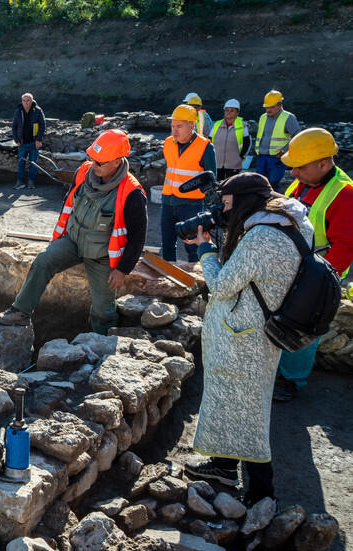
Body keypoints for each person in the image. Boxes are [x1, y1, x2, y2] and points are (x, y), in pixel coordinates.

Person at [182, 172, 313, 505]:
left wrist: (207, 252)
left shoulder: (260, 238)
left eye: (228, 205)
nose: (225, 212)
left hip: (245, 336)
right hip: (263, 329)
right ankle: (224, 466)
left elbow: (224, 285)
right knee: (235, 402)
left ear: (244, 202)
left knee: (249, 412)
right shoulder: (294, 222)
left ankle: (261, 491)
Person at [0, 129, 147, 334]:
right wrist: (57, 240)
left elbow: (138, 237)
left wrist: (123, 269)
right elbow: (68, 206)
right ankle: (20, 312)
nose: (94, 165)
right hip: (73, 241)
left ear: (117, 161)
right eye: (92, 159)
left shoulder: (131, 193)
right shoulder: (83, 172)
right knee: (42, 261)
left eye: (100, 162)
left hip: (102, 254)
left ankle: (100, 341)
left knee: (103, 308)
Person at [273, 128, 353, 401]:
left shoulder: (344, 195)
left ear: (323, 163)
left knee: (304, 324)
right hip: (294, 269)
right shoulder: (303, 182)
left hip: (318, 277)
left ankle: (292, 380)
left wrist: (318, 281)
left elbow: (345, 247)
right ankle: (281, 369)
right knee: (283, 319)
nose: (293, 173)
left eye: (300, 167)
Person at [160, 104, 216, 263]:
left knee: (193, 246)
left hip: (191, 205)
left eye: (179, 126)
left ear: (192, 126)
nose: (174, 130)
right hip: (167, 202)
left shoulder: (205, 147)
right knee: (168, 245)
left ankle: (197, 278)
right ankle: (168, 277)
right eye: (172, 126)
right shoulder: (168, 143)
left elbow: (211, 180)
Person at [254, 90, 301, 192]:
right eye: (267, 107)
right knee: (258, 183)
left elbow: (298, 136)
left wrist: (284, 151)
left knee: (273, 185)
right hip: (262, 156)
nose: (268, 110)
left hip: (276, 158)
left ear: (280, 106)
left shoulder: (288, 118)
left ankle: (273, 206)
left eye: (271, 107)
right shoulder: (263, 117)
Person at [211, 99, 252, 181]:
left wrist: (241, 157)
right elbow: (209, 140)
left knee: (231, 186)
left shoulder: (242, 126)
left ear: (237, 113)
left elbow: (247, 143)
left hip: (234, 164)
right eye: (227, 110)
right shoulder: (217, 125)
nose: (229, 112)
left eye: (232, 110)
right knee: (217, 186)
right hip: (217, 163)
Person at [12, 92, 46, 190]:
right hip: (22, 143)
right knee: (21, 163)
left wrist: (38, 140)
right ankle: (20, 181)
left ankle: (31, 181)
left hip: (33, 142)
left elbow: (42, 125)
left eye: (27, 101)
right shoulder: (18, 111)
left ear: (31, 101)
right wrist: (17, 140)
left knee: (33, 162)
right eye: (24, 101)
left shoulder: (37, 111)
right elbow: (14, 126)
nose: (25, 103)